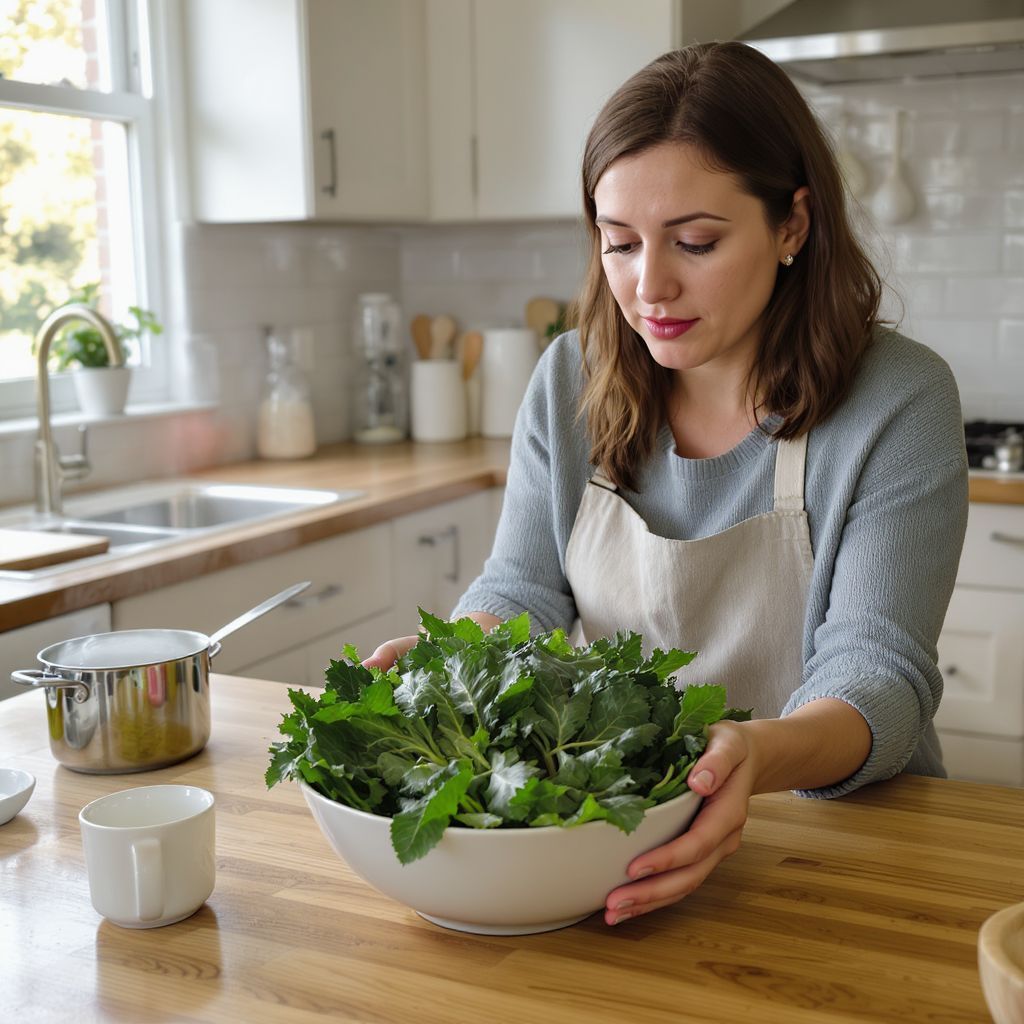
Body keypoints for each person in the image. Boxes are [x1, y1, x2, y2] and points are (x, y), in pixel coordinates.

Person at [365, 42, 968, 926]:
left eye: (695, 242)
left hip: (847, 852)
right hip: (623, 845)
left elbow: (877, 672)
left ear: (793, 225)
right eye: (619, 243)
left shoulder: (897, 398)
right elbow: (523, 590)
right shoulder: (570, 377)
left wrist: (749, 758)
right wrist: (453, 660)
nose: (650, 286)